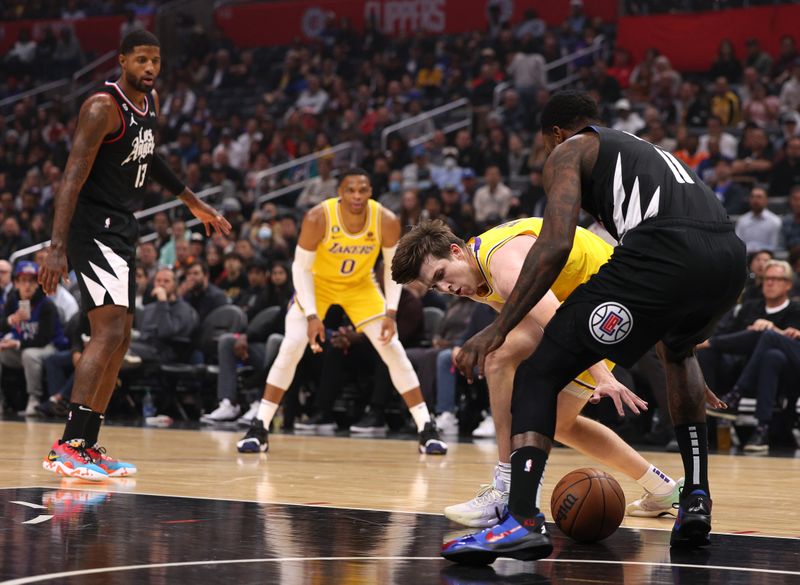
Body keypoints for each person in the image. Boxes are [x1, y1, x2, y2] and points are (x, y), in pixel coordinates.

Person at [442, 91, 746, 563]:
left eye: (546, 146)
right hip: (728, 258)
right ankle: (695, 500)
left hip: (663, 251)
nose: (548, 154)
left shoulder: (571, 149)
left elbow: (554, 244)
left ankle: (520, 520)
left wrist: (498, 327)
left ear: (556, 133)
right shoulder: (643, 150)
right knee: (679, 354)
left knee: (537, 373)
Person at [392, 218, 686, 529]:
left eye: (441, 275)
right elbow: (529, 321)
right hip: (585, 301)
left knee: (500, 361)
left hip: (613, 300)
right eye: (436, 286)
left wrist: (601, 375)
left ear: (456, 251)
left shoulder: (502, 265)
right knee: (556, 421)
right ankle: (664, 490)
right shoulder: (475, 273)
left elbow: (556, 320)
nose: (446, 288)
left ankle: (507, 490)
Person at [38, 30, 231, 481]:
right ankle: (68, 445)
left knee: (122, 337)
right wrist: (56, 247)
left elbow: (150, 157)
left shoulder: (151, 103)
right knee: (105, 334)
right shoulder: (101, 108)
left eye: (156, 61)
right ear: (122, 60)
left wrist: (191, 200)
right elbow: (70, 178)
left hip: (123, 225)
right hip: (95, 228)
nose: (149, 68)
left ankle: (87, 443)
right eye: (141, 60)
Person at [235, 168, 447, 455]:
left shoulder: (386, 220)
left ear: (371, 191)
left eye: (363, 190)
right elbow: (300, 268)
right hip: (317, 285)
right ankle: (259, 427)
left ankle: (426, 428)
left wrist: (391, 312)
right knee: (292, 346)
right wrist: (312, 316)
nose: (357, 196)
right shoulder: (317, 217)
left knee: (392, 348)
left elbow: (393, 270)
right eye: (351, 190)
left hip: (360, 287)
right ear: (340, 192)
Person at [0, 261, 68, 416]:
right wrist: (11, 320)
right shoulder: (12, 302)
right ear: (15, 283)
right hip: (22, 346)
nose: (27, 286)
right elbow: (2, 326)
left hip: (50, 347)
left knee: (29, 354)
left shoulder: (46, 305)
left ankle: (34, 399)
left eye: (32, 281)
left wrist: (16, 343)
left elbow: (43, 339)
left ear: (38, 284)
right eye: (23, 281)